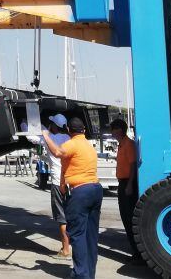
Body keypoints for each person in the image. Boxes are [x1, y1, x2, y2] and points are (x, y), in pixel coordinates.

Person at [43, 116, 103, 279]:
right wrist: (63, 184)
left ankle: (80, 274)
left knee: (77, 235)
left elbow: (56, 152)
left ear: (69, 130)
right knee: (91, 235)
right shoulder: (88, 145)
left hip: (80, 192)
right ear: (83, 130)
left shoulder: (72, 143)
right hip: (96, 189)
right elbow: (67, 165)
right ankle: (89, 273)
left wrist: (45, 135)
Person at [110, 118, 141, 261]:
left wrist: (129, 185)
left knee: (129, 218)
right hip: (123, 183)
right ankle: (135, 251)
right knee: (125, 217)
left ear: (120, 130)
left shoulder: (128, 144)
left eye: (114, 129)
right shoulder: (121, 145)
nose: (112, 133)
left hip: (128, 184)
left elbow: (134, 165)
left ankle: (137, 253)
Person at [42, 113, 72, 258]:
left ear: (54, 125)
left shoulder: (49, 139)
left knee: (61, 217)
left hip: (57, 182)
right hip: (70, 182)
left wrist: (24, 121)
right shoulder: (68, 139)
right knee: (71, 215)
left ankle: (65, 249)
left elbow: (31, 136)